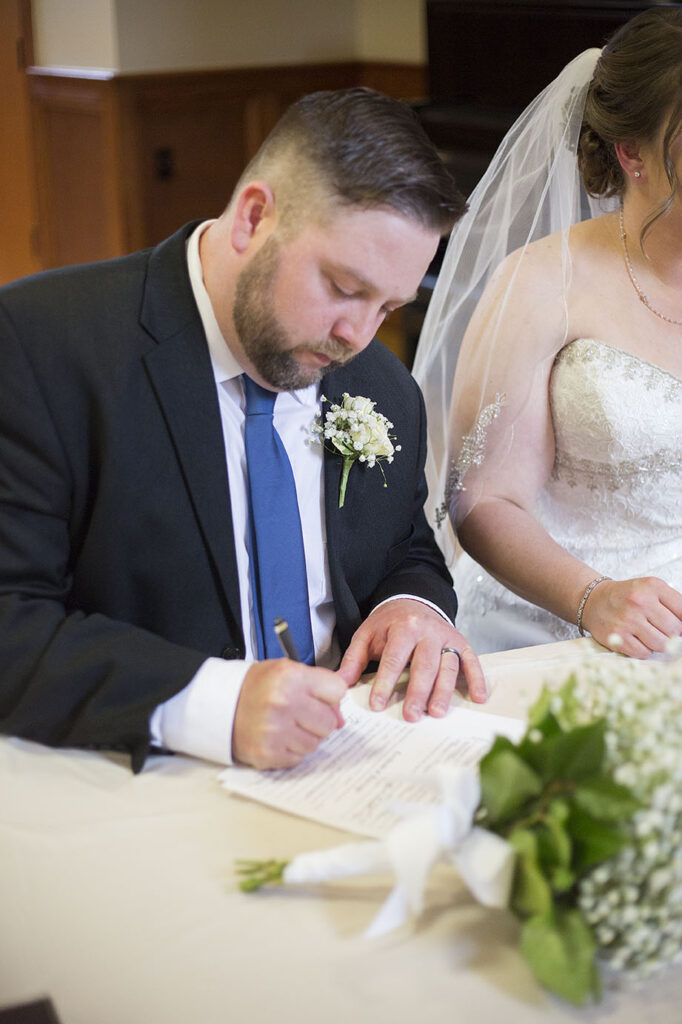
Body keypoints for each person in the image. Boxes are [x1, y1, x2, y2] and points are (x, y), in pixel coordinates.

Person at [0, 87, 486, 773]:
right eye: (345, 287)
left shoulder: (382, 385)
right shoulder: (40, 345)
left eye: (389, 306)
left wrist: (412, 607)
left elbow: (406, 547)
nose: (358, 335)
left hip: (350, 757)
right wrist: (214, 705)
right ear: (254, 216)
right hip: (141, 770)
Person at [413, 8, 682, 658]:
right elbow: (481, 499)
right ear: (632, 154)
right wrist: (594, 597)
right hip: (559, 621)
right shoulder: (539, 283)